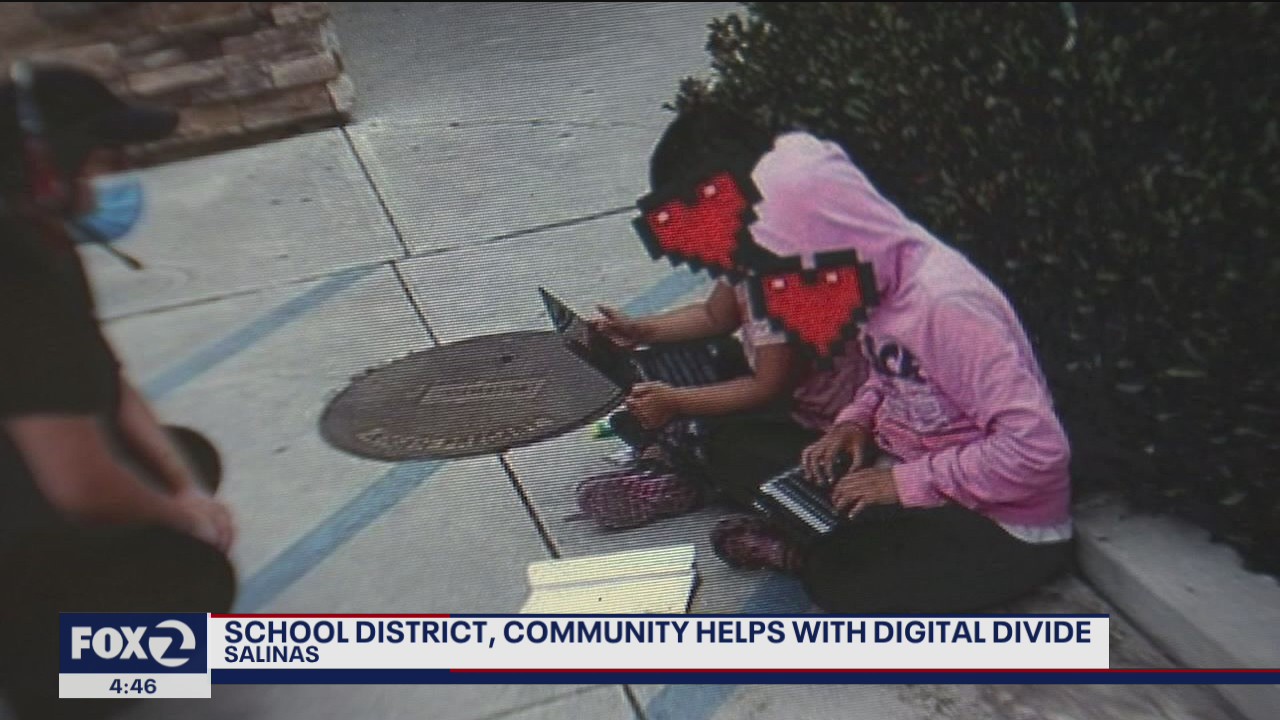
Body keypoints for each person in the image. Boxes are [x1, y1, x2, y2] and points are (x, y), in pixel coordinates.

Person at [708, 130, 1074, 613]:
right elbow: (889, 376)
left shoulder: (947, 307)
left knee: (846, 587)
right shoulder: (870, 275)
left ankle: (813, 549)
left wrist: (902, 484)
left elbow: (1037, 450)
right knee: (730, 444)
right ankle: (829, 530)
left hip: (999, 520)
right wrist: (853, 422)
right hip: (905, 463)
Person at [0, 64, 236, 719]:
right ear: (50, 167)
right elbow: (79, 481)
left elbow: (108, 378)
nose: (118, 169)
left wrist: (179, 483)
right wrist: (179, 516)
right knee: (194, 590)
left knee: (189, 457)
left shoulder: (41, 244)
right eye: (106, 155)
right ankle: (49, 684)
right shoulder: (15, 285)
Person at [575, 110, 870, 530]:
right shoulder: (756, 254)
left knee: (732, 446)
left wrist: (678, 402)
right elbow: (714, 314)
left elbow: (767, 387)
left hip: (816, 424)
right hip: (777, 387)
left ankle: (694, 475)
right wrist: (641, 330)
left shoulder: (788, 280)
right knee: (665, 361)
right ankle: (676, 444)